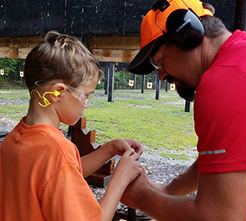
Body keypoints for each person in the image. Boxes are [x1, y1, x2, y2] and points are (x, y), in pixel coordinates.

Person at [121, 0, 246, 220]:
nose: (160, 75)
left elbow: (221, 217)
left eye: (159, 61)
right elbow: (225, 157)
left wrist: (142, 197)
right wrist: (168, 191)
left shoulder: (225, 81)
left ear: (187, 35)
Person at [0, 31, 143, 221]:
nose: (86, 104)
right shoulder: (57, 152)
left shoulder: (13, 140)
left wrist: (109, 149)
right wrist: (120, 179)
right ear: (57, 92)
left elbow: (60, 176)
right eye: (86, 96)